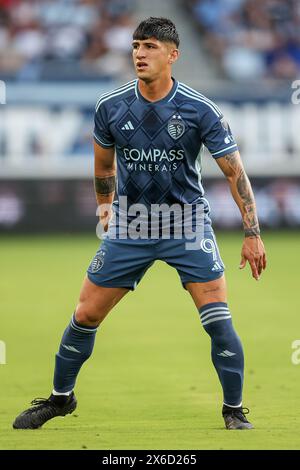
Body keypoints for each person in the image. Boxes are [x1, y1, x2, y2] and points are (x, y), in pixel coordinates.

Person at [13, 17, 266, 431]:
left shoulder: (200, 109)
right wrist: (104, 208)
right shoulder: (110, 107)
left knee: (219, 320)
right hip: (132, 226)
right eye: (135, 46)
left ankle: (234, 411)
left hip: (186, 223)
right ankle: (61, 400)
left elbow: (235, 172)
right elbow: (102, 166)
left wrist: (252, 233)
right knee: (84, 315)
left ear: (173, 54)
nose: (139, 54)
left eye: (149, 46)